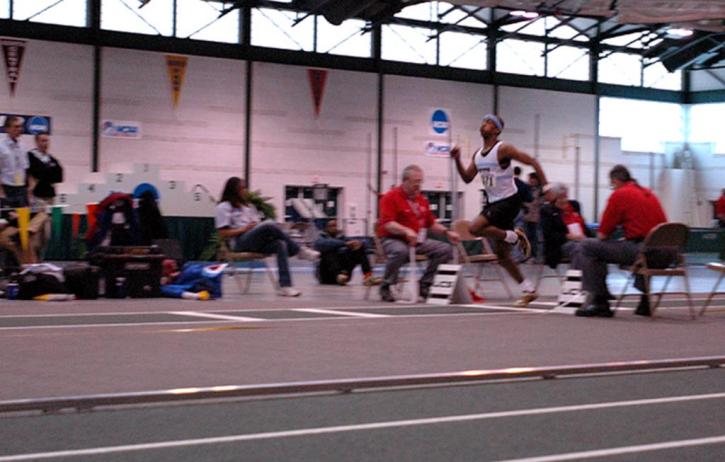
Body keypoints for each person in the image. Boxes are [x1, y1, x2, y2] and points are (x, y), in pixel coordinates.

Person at [450, 113, 551, 307]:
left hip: (509, 200)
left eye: (489, 123)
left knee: (474, 228)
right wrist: (457, 160)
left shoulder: (503, 149)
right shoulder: (478, 155)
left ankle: (513, 236)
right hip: (494, 202)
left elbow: (532, 162)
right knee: (503, 257)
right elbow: (467, 179)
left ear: (496, 130)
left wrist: (545, 186)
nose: (484, 124)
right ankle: (528, 289)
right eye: (483, 121)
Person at [573, 165, 667, 318]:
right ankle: (645, 301)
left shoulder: (620, 194)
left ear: (615, 181)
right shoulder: (648, 193)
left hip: (644, 252)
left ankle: (600, 301)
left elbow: (603, 234)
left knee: (587, 247)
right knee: (640, 247)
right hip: (667, 253)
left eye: (611, 185)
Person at [215, 177, 319, 297]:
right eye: (242, 188)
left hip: (255, 239)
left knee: (280, 243)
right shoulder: (224, 207)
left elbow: (258, 225)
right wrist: (244, 229)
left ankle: (285, 286)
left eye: (245, 188)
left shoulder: (249, 207)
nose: (245, 191)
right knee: (269, 223)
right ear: (234, 190)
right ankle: (300, 250)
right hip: (239, 242)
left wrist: (256, 227)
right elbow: (223, 233)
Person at [377, 165, 460, 302]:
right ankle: (386, 285)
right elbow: (388, 223)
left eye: (420, 181)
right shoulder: (390, 197)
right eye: (415, 181)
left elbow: (431, 223)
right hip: (392, 239)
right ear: (405, 181)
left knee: (444, 249)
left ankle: (425, 284)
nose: (418, 185)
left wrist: (447, 232)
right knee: (400, 251)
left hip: (417, 240)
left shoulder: (421, 199)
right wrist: (405, 230)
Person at [540, 183, 593, 269]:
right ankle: (575, 278)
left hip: (582, 239)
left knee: (596, 247)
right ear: (554, 197)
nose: (563, 200)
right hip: (561, 244)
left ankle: (595, 279)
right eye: (560, 197)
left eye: (565, 196)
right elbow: (548, 235)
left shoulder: (575, 205)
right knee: (579, 249)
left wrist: (591, 238)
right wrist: (568, 236)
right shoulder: (547, 211)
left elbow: (583, 225)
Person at [314, 219, 381, 286]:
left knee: (358, 249)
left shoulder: (342, 237)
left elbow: (362, 243)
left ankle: (367, 277)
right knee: (329, 250)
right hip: (326, 275)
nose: (334, 228)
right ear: (326, 228)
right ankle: (338, 275)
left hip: (344, 273)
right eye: (331, 226)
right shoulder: (321, 237)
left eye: (336, 225)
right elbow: (320, 244)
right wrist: (345, 244)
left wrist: (357, 244)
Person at [0, 116, 30, 208]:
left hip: (21, 188)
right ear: (7, 129)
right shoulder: (1, 146)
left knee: (23, 219)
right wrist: (1, 191)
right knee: (9, 218)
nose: (19, 129)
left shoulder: (23, 147)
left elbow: (25, 169)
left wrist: (28, 191)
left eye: (20, 126)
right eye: (16, 127)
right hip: (7, 188)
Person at [27, 133, 63, 206]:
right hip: (36, 194)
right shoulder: (30, 156)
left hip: (50, 195)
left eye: (47, 141)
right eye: (43, 141)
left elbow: (58, 176)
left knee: (50, 216)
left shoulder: (52, 160)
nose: (45, 143)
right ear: (36, 142)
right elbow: (34, 174)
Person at [523, 172, 544, 261]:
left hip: (535, 217)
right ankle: (526, 255)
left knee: (534, 237)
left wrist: (530, 203)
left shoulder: (540, 191)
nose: (531, 181)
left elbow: (540, 202)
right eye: (530, 179)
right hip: (525, 216)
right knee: (526, 237)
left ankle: (534, 256)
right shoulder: (526, 189)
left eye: (533, 179)